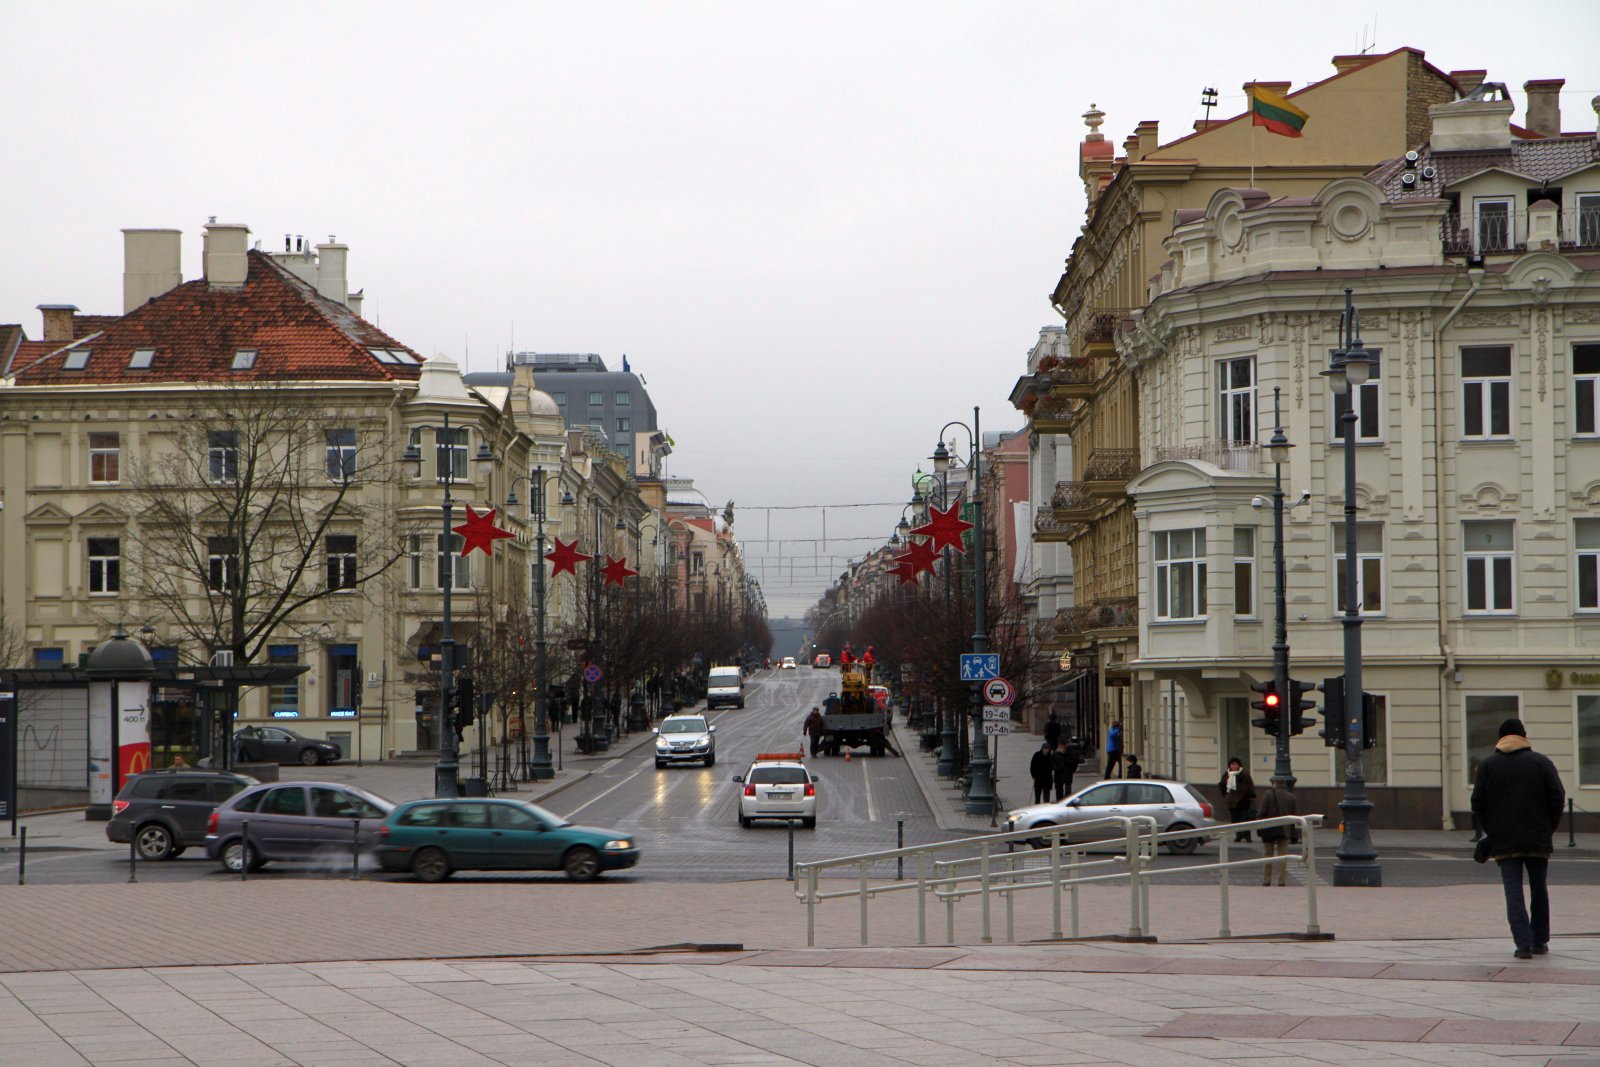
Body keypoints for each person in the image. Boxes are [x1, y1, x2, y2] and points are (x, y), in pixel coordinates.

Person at [1471, 718, 1565, 959]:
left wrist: (1492, 830)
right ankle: (1539, 941)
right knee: (1539, 889)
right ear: (1524, 737)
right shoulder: (1541, 762)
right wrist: (1548, 827)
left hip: (1504, 841)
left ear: (1500, 738)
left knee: (1513, 891)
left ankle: (1523, 945)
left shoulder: (1488, 765)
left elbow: (1478, 803)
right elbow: (1557, 796)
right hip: (1537, 838)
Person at [1256, 779, 1299, 885]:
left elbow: (1261, 813)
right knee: (1283, 856)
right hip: (1284, 831)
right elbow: (1295, 818)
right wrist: (1294, 836)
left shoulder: (1268, 794)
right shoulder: (1291, 797)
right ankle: (1281, 880)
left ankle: (1266, 880)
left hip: (1269, 829)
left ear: (1274, 784)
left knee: (1268, 855)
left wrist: (1259, 828)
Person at [1219, 758, 1257, 842]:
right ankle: (1238, 836)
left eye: (1235, 764)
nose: (1234, 766)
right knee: (1235, 819)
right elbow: (1222, 785)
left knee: (1245, 819)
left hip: (1243, 801)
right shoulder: (1227, 774)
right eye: (1232, 764)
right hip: (1231, 802)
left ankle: (1247, 836)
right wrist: (1226, 795)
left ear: (1239, 765)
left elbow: (1250, 785)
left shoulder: (1244, 774)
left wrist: (1251, 796)